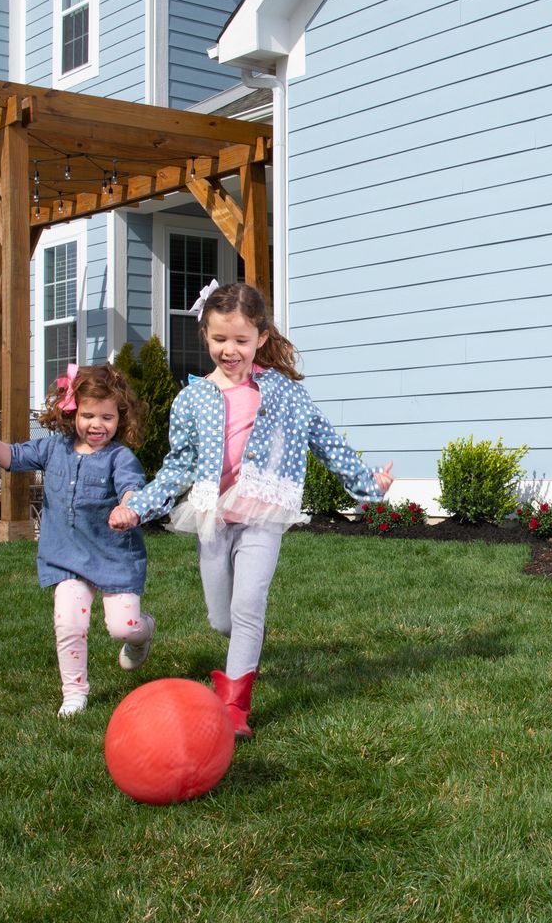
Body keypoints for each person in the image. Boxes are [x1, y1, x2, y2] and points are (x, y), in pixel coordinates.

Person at [110, 281, 393, 738]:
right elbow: (176, 467)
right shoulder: (191, 399)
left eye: (241, 340)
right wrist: (138, 507)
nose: (229, 350)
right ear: (205, 335)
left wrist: (367, 482)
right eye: (220, 339)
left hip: (264, 514)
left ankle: (234, 708)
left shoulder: (283, 393)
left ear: (261, 337)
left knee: (247, 605)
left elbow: (325, 440)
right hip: (213, 517)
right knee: (221, 619)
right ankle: (245, 642)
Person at [0, 363, 151, 717]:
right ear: (72, 413)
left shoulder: (120, 457)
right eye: (88, 415)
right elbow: (15, 457)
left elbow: (132, 488)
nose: (97, 425)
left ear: (121, 418)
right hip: (66, 558)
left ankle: (143, 633)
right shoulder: (54, 449)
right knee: (69, 622)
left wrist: (129, 508)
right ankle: (74, 692)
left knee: (123, 628)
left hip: (113, 557)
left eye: (107, 417)